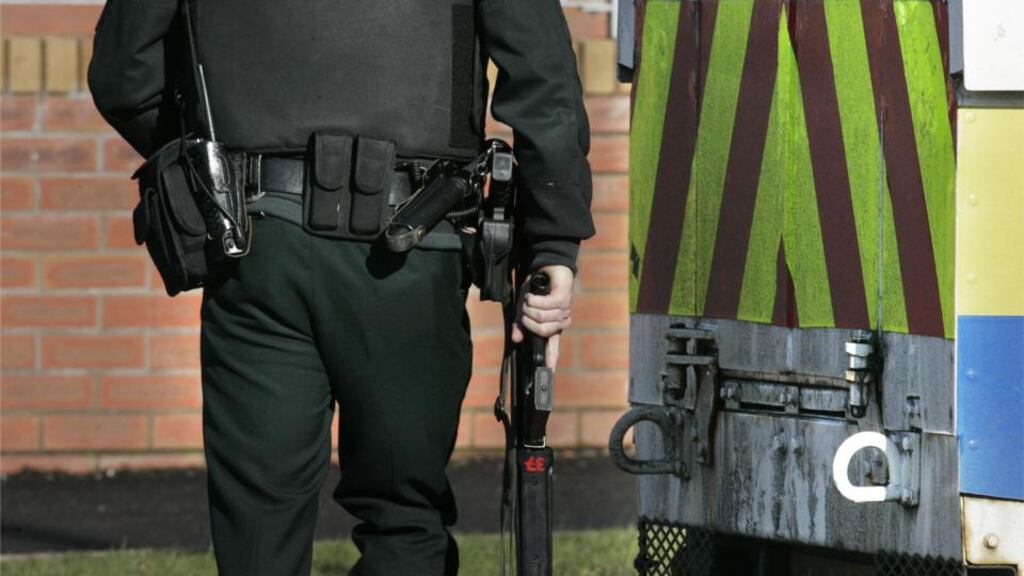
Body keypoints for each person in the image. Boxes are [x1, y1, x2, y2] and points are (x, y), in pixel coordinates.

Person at [88, 0, 595, 573]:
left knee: (258, 527)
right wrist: (553, 243)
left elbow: (123, 75)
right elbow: (542, 79)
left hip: (256, 248)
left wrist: (211, 173)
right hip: (408, 251)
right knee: (403, 516)